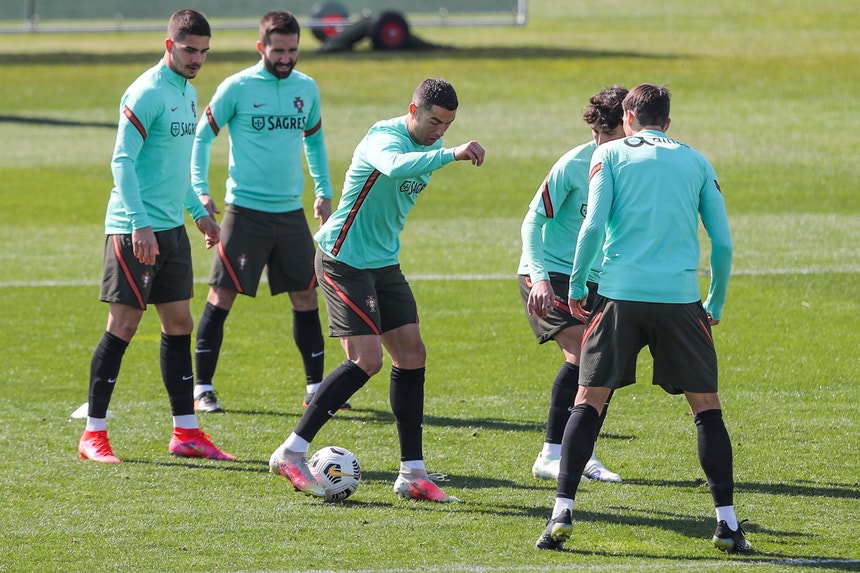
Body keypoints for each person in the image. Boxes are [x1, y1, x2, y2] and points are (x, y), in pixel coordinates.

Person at [535, 84, 750, 553]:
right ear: (667, 122)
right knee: (707, 411)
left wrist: (575, 289)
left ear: (627, 118)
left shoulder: (609, 157)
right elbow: (724, 243)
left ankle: (561, 514)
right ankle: (728, 525)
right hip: (679, 300)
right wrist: (714, 300)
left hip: (618, 298)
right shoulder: (696, 161)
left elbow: (591, 226)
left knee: (588, 403)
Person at [269, 78, 485, 501]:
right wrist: (451, 154)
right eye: (434, 121)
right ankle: (290, 453)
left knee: (411, 354)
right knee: (366, 360)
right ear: (413, 110)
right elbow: (396, 166)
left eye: (448, 125)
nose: (440, 131)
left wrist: (440, 150)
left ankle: (412, 474)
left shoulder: (431, 142)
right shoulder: (382, 137)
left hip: (384, 262)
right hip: (342, 258)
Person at [77, 10, 234, 464]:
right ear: (170, 45)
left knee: (179, 324)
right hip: (134, 228)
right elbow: (122, 162)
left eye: (204, 52)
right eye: (189, 50)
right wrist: (139, 223)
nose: (197, 60)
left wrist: (198, 214)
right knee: (123, 326)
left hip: (171, 229)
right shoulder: (146, 92)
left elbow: (175, 166)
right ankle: (94, 435)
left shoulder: (188, 93)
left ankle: (186, 432)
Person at [190, 11, 339, 414]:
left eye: (293, 50)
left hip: (290, 212)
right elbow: (202, 138)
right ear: (262, 47)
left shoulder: (306, 89)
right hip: (245, 212)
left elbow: (316, 142)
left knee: (307, 295)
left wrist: (324, 192)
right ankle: (202, 387)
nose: (287, 57)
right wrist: (200, 191)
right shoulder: (236, 87)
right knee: (221, 296)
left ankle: (316, 388)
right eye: (279, 50)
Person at [518, 86, 628, 484]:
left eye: (611, 137)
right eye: (598, 135)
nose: (601, 144)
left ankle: (580, 454)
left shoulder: (634, 166)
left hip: (596, 277)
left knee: (606, 363)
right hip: (550, 273)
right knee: (587, 353)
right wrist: (540, 277)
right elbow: (532, 221)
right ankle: (551, 454)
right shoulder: (573, 164)